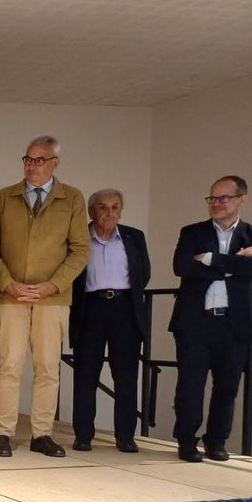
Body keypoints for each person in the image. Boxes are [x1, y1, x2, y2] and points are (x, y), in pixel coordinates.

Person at [0, 135, 89, 459]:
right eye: (28, 159)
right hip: (10, 296)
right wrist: (7, 282)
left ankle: (42, 433)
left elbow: (80, 249)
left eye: (40, 160)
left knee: (47, 368)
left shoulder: (72, 198)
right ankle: (3, 432)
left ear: (55, 163)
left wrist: (53, 285)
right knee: (9, 366)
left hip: (52, 299)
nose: (32, 166)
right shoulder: (4, 197)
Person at [169, 176, 252, 462]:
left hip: (235, 324)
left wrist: (209, 259)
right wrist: (234, 263)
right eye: (212, 198)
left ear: (241, 199)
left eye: (224, 198)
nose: (217, 204)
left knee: (228, 386)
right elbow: (181, 267)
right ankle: (186, 441)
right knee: (190, 385)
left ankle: (216, 441)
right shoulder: (192, 232)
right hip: (196, 322)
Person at [69, 189, 151, 453]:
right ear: (92, 212)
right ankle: (83, 435)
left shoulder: (134, 237)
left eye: (116, 207)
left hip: (125, 309)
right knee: (85, 375)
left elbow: (143, 274)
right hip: (90, 308)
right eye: (103, 207)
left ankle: (125, 437)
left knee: (126, 375)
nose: (110, 213)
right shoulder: (78, 237)